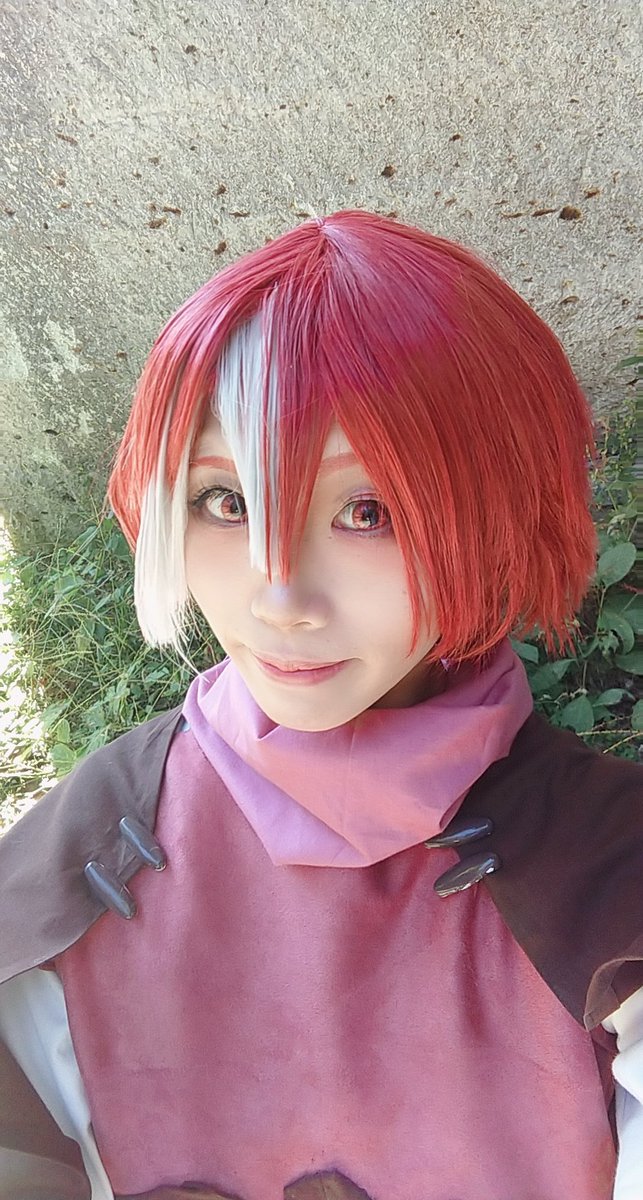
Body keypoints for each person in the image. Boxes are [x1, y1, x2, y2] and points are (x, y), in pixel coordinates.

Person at [0, 209, 641, 1200]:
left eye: (366, 511)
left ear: (499, 511)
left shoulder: (606, 860)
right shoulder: (97, 835)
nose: (279, 597)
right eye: (224, 501)